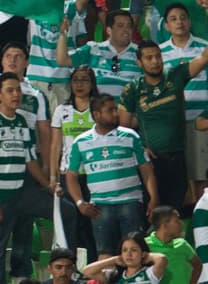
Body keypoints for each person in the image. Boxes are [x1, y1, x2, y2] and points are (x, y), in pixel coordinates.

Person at [0, 73, 52, 284]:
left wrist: (48, 185)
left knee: (66, 211)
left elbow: (30, 161)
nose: (16, 94)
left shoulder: (22, 122)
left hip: (19, 193)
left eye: (18, 90)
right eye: (10, 90)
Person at [119, 39, 208, 214]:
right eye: (149, 58)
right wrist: (142, 148)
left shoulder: (175, 75)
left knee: (175, 211)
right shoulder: (133, 88)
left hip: (177, 157)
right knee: (152, 212)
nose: (155, 61)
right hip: (150, 162)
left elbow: (204, 58)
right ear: (139, 62)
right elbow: (123, 129)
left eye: (158, 56)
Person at [79, 234, 167, 284]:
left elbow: (162, 259)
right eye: (124, 250)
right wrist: (113, 260)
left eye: (134, 250)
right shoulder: (114, 275)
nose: (128, 254)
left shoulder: (149, 273)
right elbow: (87, 271)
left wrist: (147, 256)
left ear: (143, 253)